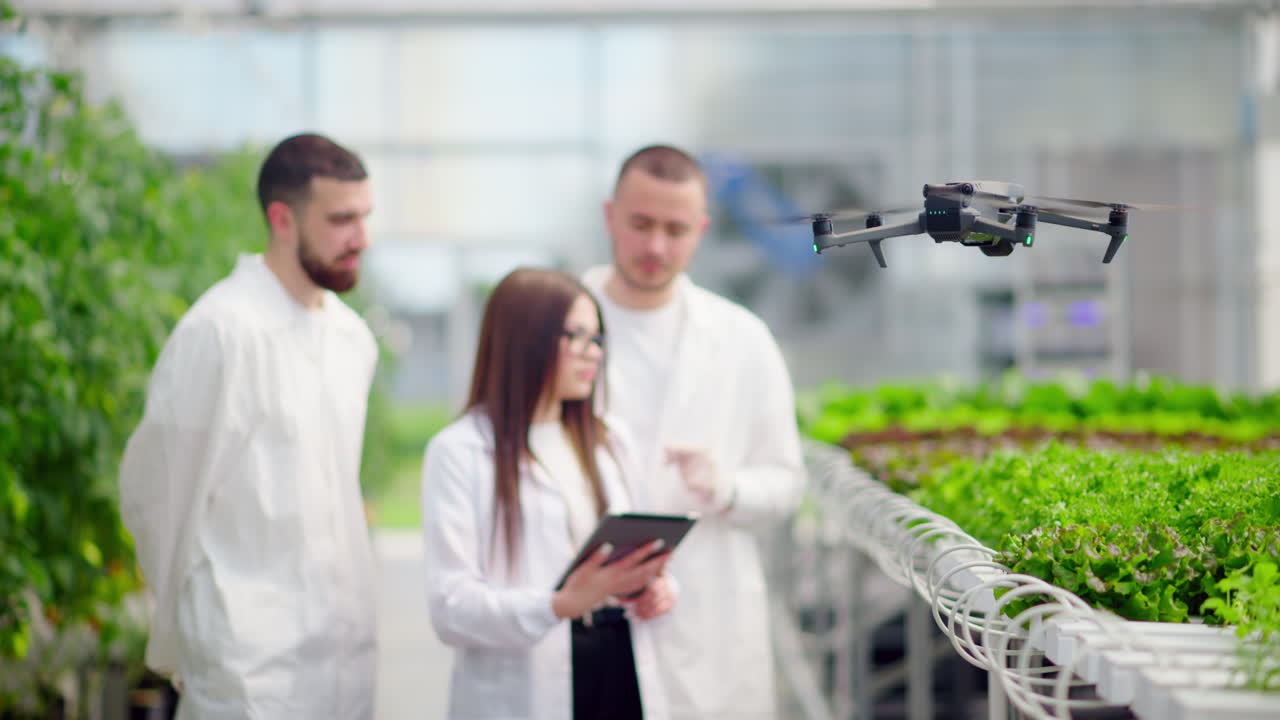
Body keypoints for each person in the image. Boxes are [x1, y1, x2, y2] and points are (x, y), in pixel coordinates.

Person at [119, 133, 379, 719]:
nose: (361, 238)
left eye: (365, 217)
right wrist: (192, 633)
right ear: (281, 218)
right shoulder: (219, 332)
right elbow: (159, 499)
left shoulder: (350, 339)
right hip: (246, 671)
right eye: (341, 220)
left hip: (344, 659)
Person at [581, 144, 806, 719]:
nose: (656, 246)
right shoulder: (560, 322)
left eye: (675, 229)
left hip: (704, 618)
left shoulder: (742, 339)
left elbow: (786, 484)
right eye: (641, 224)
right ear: (610, 216)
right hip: (582, 618)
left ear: (702, 230)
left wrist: (725, 487)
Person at [421, 267, 676, 720]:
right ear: (525, 340)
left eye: (597, 339)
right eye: (575, 336)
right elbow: (451, 608)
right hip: (527, 688)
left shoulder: (609, 440)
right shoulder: (460, 452)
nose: (592, 354)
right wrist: (558, 605)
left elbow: (635, 549)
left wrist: (655, 587)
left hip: (620, 670)